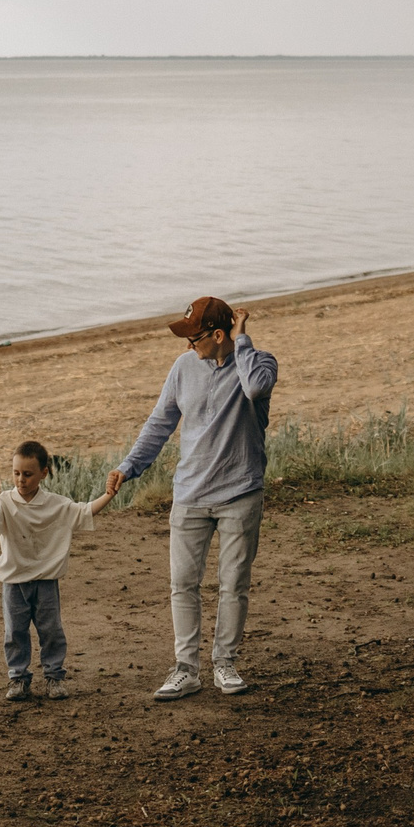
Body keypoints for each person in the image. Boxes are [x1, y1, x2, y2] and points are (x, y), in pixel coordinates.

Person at [111, 297, 278, 701]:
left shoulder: (258, 362)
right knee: (182, 585)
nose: (189, 346)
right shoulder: (183, 368)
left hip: (240, 491)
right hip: (189, 494)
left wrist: (242, 341)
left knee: (232, 583)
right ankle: (186, 668)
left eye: (196, 338)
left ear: (219, 335)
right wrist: (129, 466)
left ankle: (225, 662)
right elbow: (160, 422)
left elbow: (255, 389)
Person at [0, 440, 122, 702]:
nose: (21, 480)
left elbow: (85, 511)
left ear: (44, 473)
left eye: (28, 474)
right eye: (16, 473)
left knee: (51, 630)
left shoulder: (56, 504)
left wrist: (109, 494)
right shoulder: (3, 502)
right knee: (14, 632)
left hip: (46, 582)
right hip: (13, 582)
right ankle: (18, 679)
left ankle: (54, 677)